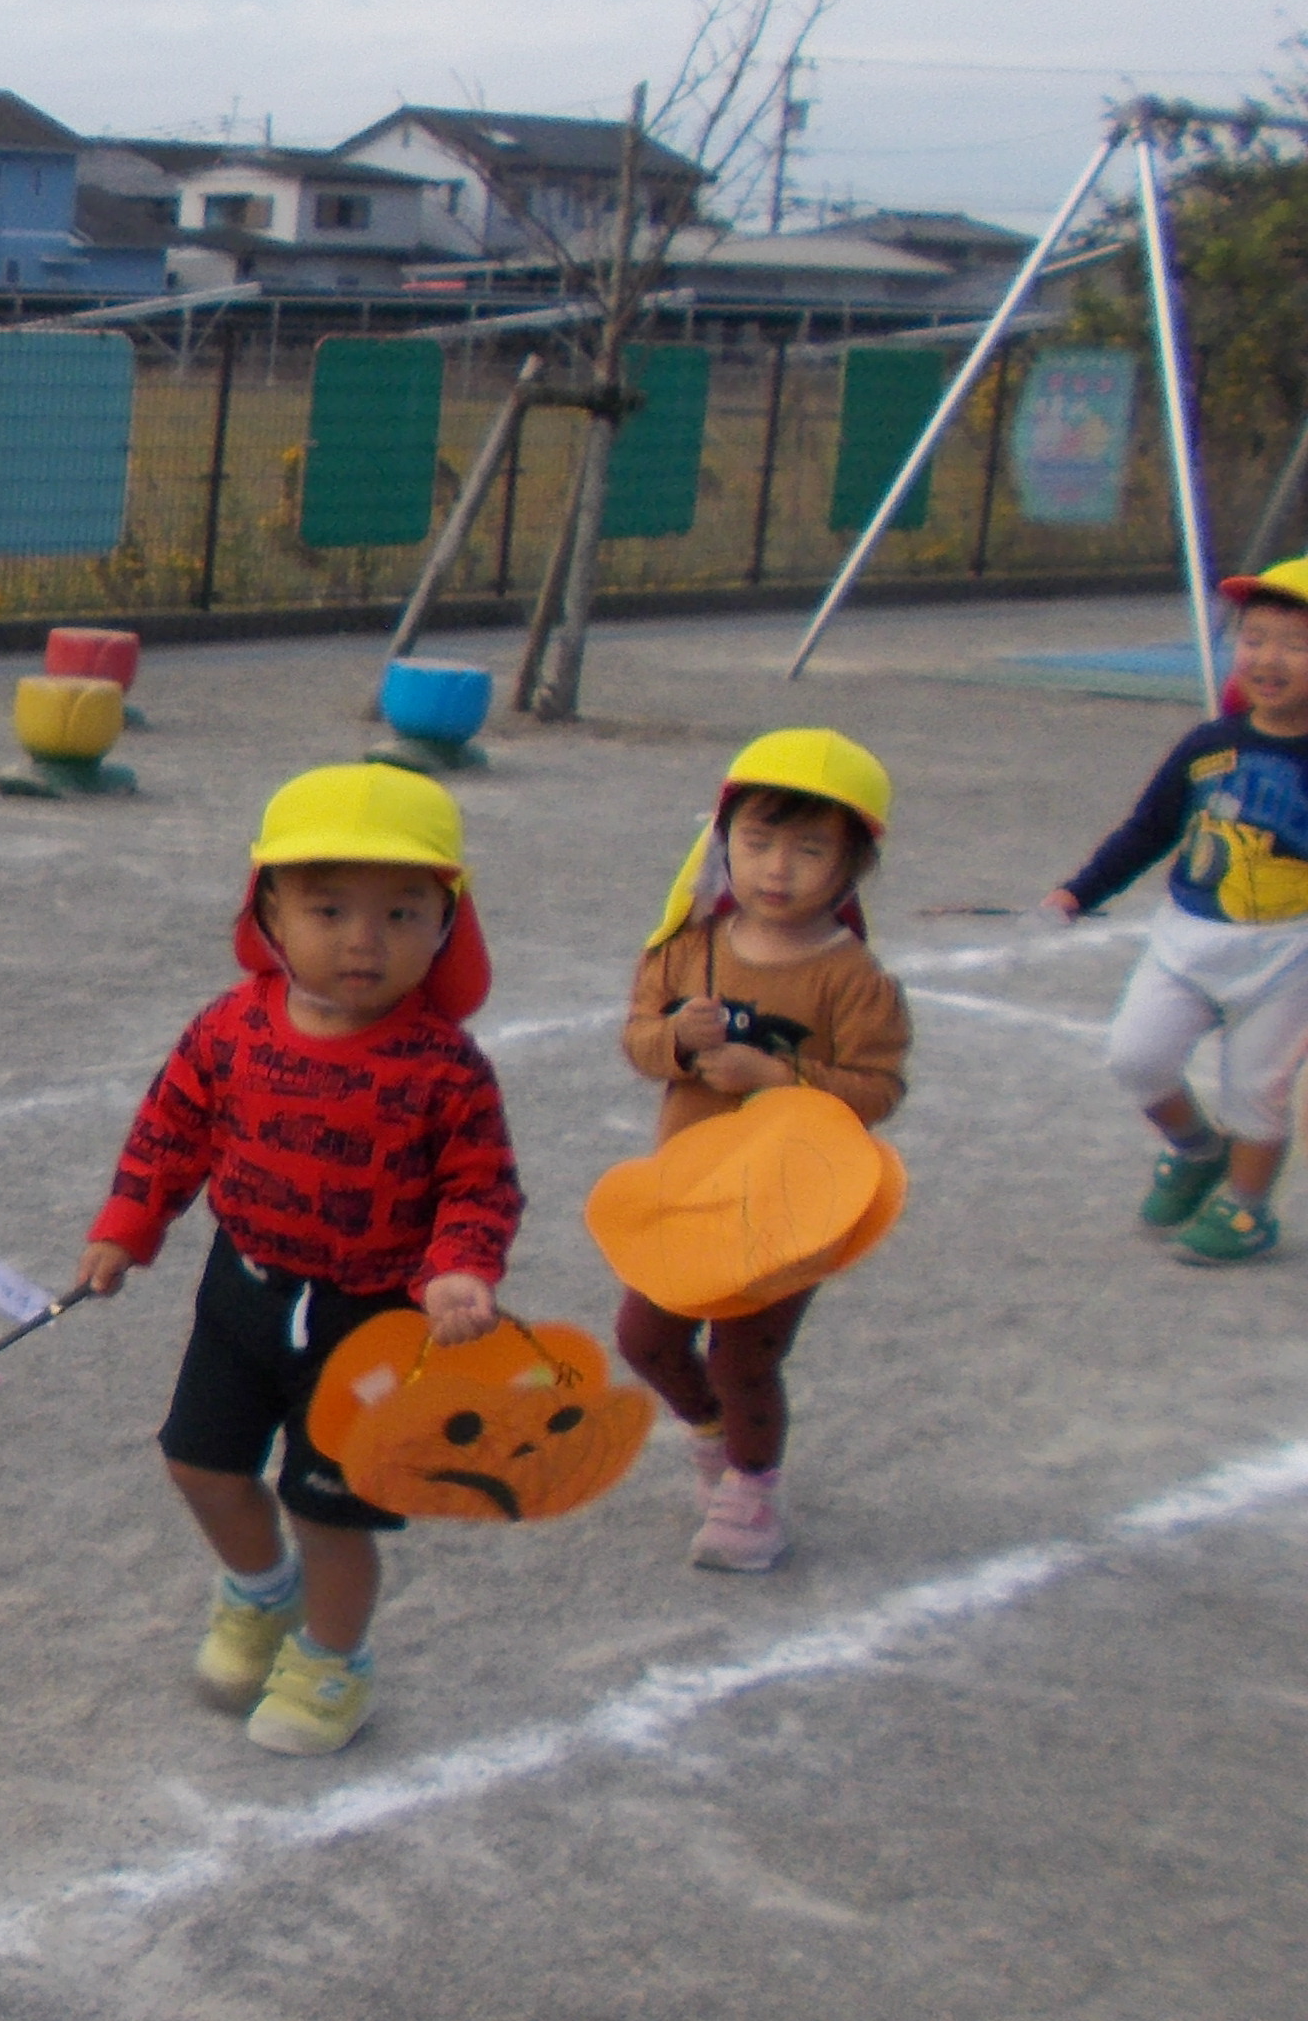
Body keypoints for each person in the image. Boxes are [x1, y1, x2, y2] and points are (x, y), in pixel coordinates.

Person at [71, 765, 522, 1759]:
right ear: (268, 911)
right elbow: (171, 1130)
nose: (365, 939)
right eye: (329, 909)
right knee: (200, 1463)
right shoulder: (229, 1028)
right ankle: (259, 1593)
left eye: (402, 912)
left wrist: (460, 1266)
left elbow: (480, 1185)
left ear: (447, 923)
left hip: (372, 1321)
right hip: (244, 1291)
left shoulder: (445, 1068)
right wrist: (126, 1225)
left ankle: (333, 1659)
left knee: (329, 1510)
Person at [616, 729, 910, 1573]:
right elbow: (638, 1042)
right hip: (690, 1189)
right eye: (757, 842)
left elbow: (878, 1089)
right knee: (645, 1338)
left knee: (745, 1356)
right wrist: (676, 1038)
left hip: (793, 1203)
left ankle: (753, 1491)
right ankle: (711, 1433)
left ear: (852, 865)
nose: (777, 868)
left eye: (809, 850)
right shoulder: (688, 949)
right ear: (724, 843)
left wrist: (779, 1077)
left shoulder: (853, 978)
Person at [1042, 558, 1308, 1265]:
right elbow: (1150, 828)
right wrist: (1083, 889)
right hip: (1186, 940)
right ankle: (1197, 1150)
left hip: (1289, 954)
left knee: (1257, 1088)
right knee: (1138, 1057)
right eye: (1255, 638)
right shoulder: (1209, 744)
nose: (1268, 659)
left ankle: (1247, 1208)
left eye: (1296, 644)